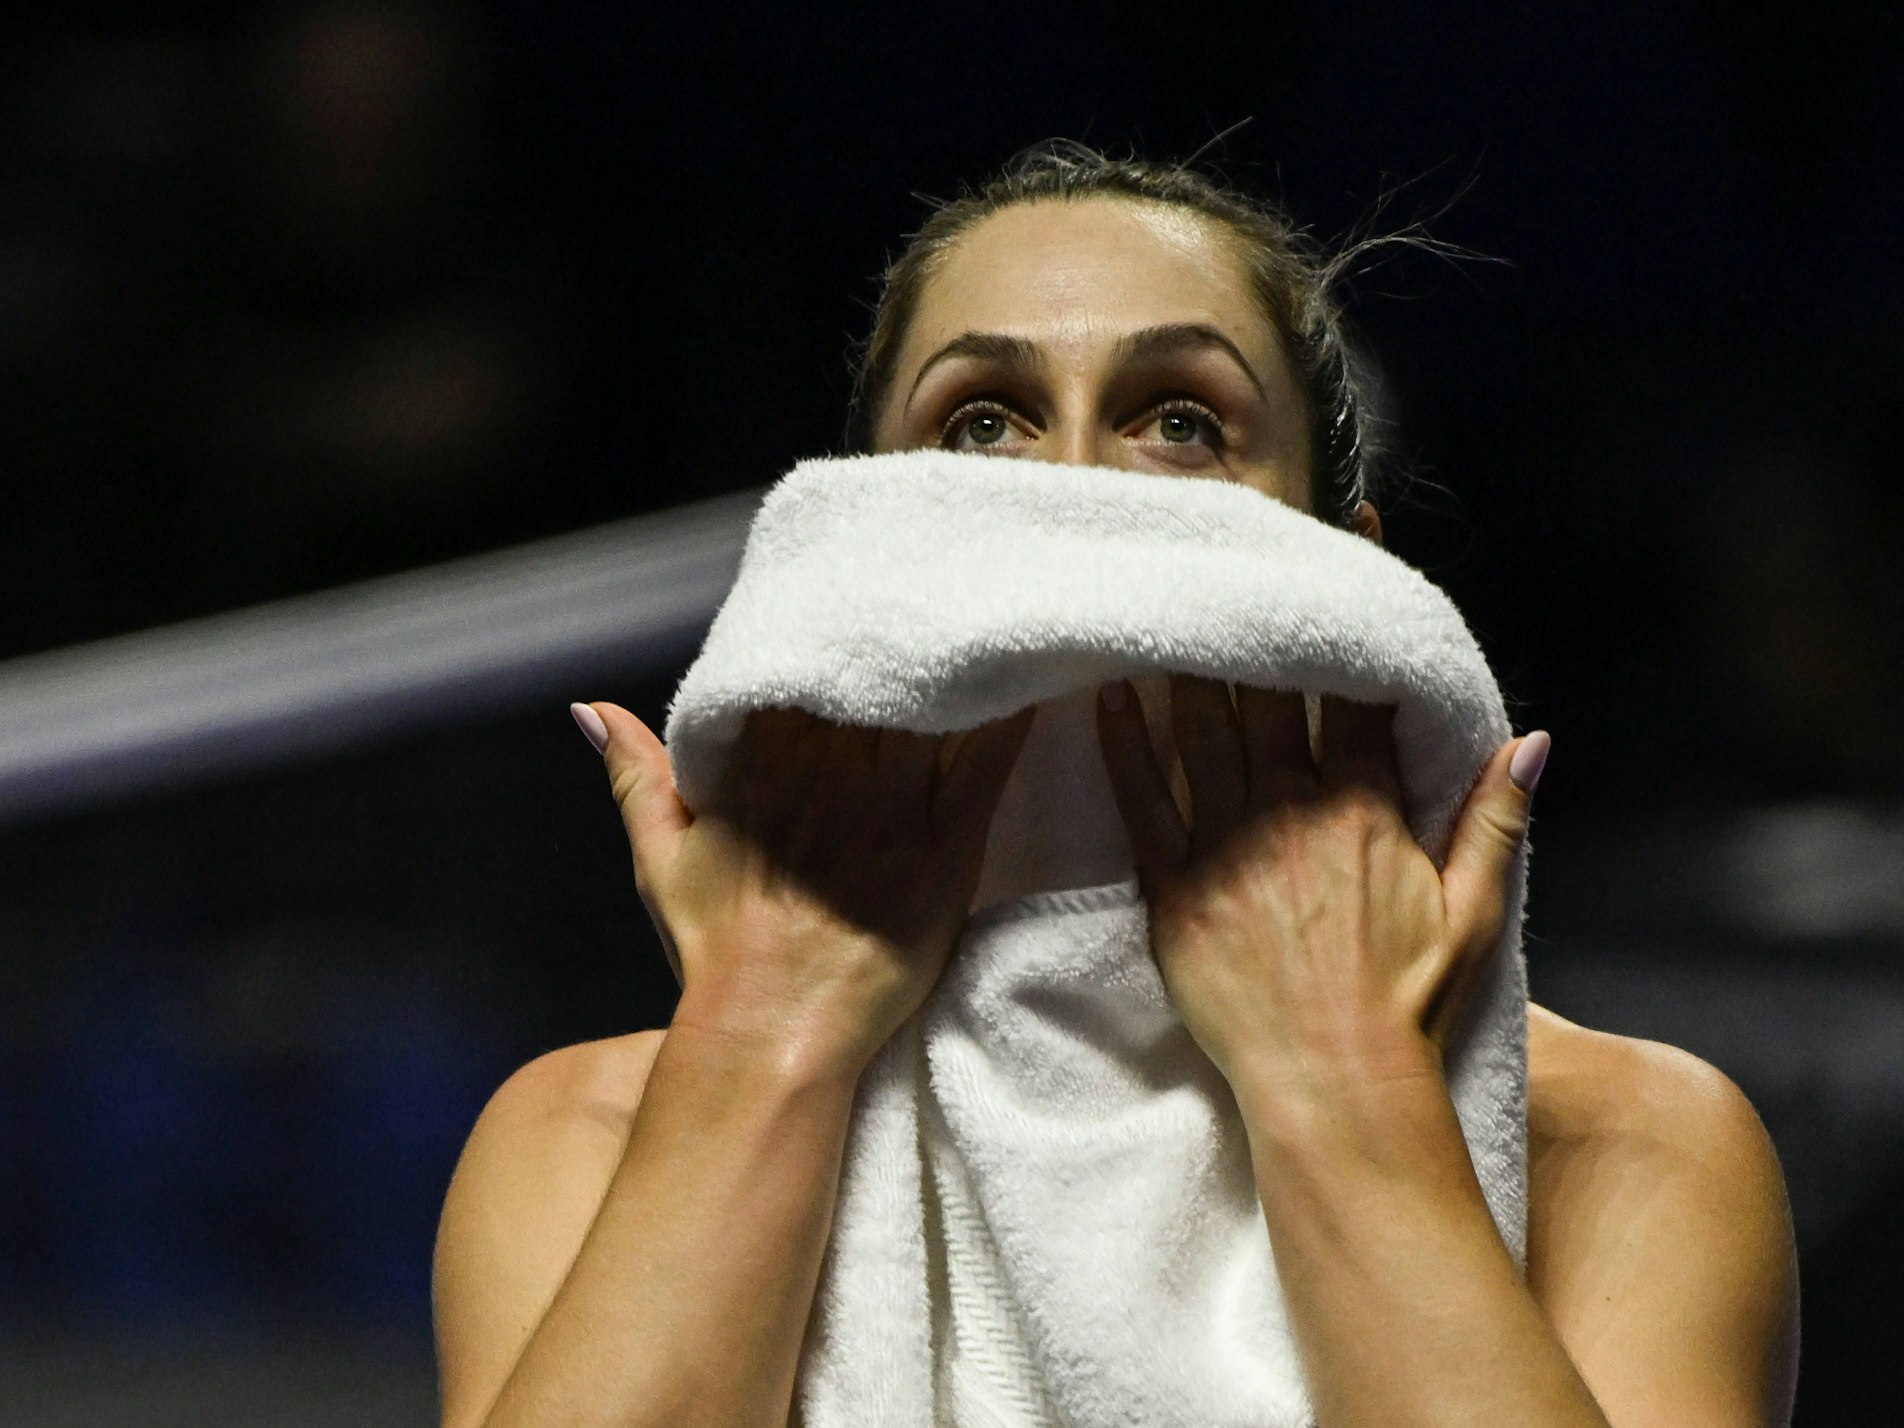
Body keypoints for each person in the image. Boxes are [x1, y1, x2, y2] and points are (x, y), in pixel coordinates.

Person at [430, 143, 1801, 1428]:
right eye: (981, 422)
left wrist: (1337, 1075)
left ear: (1350, 575)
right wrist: (764, 1038)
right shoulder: (589, 1139)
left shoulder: (1622, 1143)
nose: (1074, 486)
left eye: (1183, 422)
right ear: (853, 541)